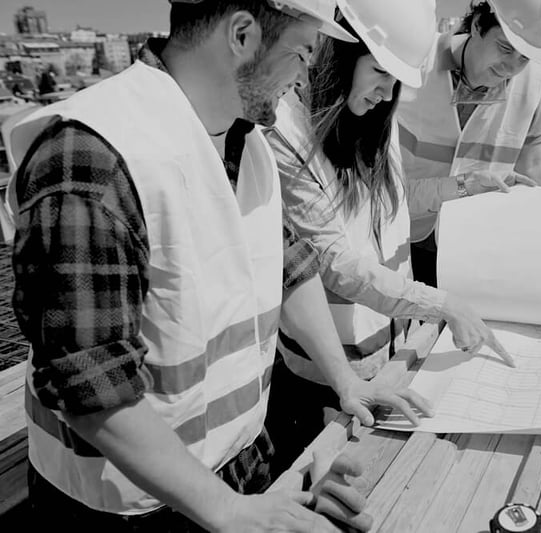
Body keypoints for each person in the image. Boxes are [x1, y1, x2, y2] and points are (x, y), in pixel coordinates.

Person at [7, 1, 427, 531]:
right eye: (301, 53)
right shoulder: (91, 155)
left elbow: (289, 266)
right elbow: (88, 381)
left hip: (233, 476)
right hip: (128, 508)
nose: (303, 79)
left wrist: (345, 381)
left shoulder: (242, 144)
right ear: (242, 35)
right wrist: (228, 511)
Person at [265, 0, 514, 475]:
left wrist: (464, 186)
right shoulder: (287, 133)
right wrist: (441, 304)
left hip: (388, 355)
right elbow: (334, 261)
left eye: (398, 80)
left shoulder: (374, 117)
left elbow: (396, 202)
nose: (387, 91)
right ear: (339, 56)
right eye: (380, 71)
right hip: (325, 374)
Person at [396, 0, 541, 287]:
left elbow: (532, 159)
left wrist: (540, 233)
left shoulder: (531, 84)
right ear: (477, 25)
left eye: (524, 57)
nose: (511, 67)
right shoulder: (416, 64)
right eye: (505, 48)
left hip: (472, 241)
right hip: (404, 232)